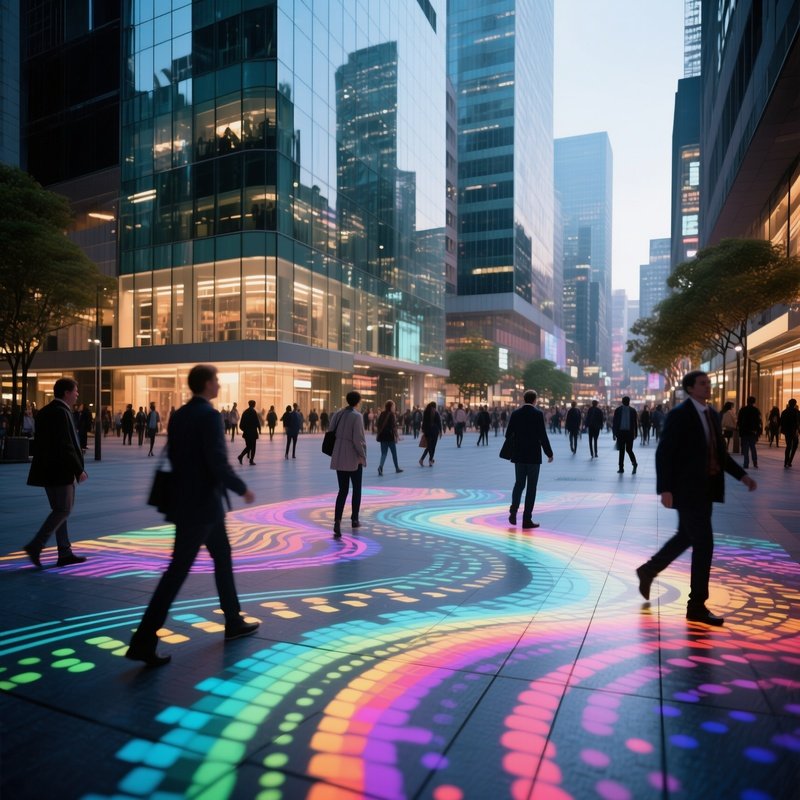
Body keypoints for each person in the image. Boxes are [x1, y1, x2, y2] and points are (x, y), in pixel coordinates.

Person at [126, 365, 259, 667]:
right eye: (216, 381)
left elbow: (178, 457)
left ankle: (233, 619)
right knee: (177, 572)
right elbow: (216, 461)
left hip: (189, 502)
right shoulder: (209, 416)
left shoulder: (181, 415)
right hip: (202, 507)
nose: (219, 385)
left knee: (222, 555)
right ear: (206, 384)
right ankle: (143, 639)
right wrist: (242, 488)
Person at [636, 370, 756, 626]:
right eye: (703, 384)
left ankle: (648, 570)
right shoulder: (679, 415)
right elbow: (664, 453)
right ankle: (697, 605)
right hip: (687, 490)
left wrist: (742, 476)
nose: (708, 387)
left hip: (707, 489)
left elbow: (719, 454)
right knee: (704, 544)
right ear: (690, 388)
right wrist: (665, 488)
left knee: (686, 536)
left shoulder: (712, 414)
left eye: (708, 383)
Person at [22, 377, 88, 569]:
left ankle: (64, 552)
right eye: (75, 391)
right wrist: (78, 470)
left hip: (47, 471)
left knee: (60, 510)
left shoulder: (44, 412)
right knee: (63, 510)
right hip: (61, 471)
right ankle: (36, 545)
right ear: (66, 392)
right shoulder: (61, 413)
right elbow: (66, 444)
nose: (77, 394)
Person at [504, 390, 554, 529]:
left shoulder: (515, 414)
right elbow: (542, 435)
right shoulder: (538, 414)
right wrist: (549, 453)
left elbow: (508, 434)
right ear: (535, 400)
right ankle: (527, 519)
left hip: (519, 455)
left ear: (524, 399)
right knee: (531, 487)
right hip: (533, 456)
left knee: (519, 484)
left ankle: (513, 512)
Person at [329, 391, 367, 538]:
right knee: (356, 488)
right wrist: (363, 455)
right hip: (353, 457)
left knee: (342, 490)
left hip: (339, 455)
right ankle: (354, 519)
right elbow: (358, 439)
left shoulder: (338, 414)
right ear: (358, 401)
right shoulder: (357, 416)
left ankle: (337, 520)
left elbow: (331, 431)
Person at [375, 400, 403, 475]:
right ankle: (397, 468)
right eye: (393, 406)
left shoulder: (382, 413)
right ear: (391, 406)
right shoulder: (391, 415)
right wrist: (397, 436)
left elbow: (378, 424)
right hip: (390, 436)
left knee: (384, 453)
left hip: (382, 436)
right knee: (394, 453)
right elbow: (394, 427)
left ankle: (380, 467)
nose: (394, 407)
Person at [612, 396, 639, 474]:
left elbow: (635, 423)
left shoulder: (633, 411)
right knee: (622, 450)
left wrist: (635, 433)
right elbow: (615, 422)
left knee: (628, 449)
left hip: (629, 433)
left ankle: (634, 463)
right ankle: (621, 467)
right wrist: (614, 433)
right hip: (621, 433)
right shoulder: (618, 410)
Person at [737, 396, 762, 469]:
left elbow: (739, 421)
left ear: (747, 401)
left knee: (745, 448)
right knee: (753, 447)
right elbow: (758, 422)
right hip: (752, 432)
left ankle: (746, 464)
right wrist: (758, 432)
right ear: (754, 402)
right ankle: (755, 463)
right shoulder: (756, 410)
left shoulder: (742, 410)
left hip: (744, 432)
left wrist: (740, 430)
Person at [237, 400, 261, 465]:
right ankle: (251, 460)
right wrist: (259, 429)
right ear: (253, 404)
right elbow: (257, 421)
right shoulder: (253, 412)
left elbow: (241, 424)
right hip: (253, 432)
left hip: (246, 433)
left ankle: (241, 456)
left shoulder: (245, 412)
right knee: (253, 447)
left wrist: (245, 430)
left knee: (248, 446)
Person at [419, 401, 442, 466]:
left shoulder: (426, 413)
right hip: (434, 432)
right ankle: (430, 460)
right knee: (433, 447)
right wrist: (440, 432)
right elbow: (439, 423)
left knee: (429, 447)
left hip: (428, 432)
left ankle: (422, 459)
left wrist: (424, 431)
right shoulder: (436, 413)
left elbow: (424, 423)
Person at [780, 398, 800, 468]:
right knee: (794, 446)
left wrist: (783, 430)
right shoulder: (797, 412)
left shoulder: (784, 412)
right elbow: (798, 422)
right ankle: (789, 461)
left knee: (788, 446)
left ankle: (786, 461)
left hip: (787, 432)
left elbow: (781, 422)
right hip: (794, 432)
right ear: (795, 404)